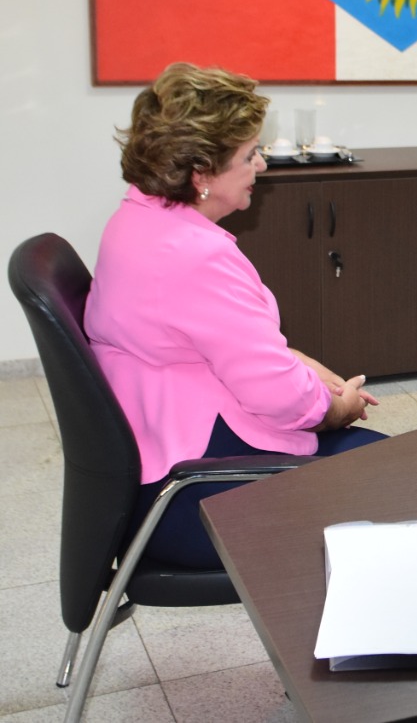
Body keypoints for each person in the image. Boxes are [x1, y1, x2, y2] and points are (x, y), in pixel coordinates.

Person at [85, 62, 386, 570]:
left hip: (154, 471)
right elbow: (285, 401)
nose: (263, 166)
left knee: (391, 464)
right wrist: (340, 405)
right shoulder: (195, 256)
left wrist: (310, 370)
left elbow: (226, 342)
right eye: (250, 156)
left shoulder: (136, 221)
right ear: (201, 175)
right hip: (192, 500)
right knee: (410, 480)